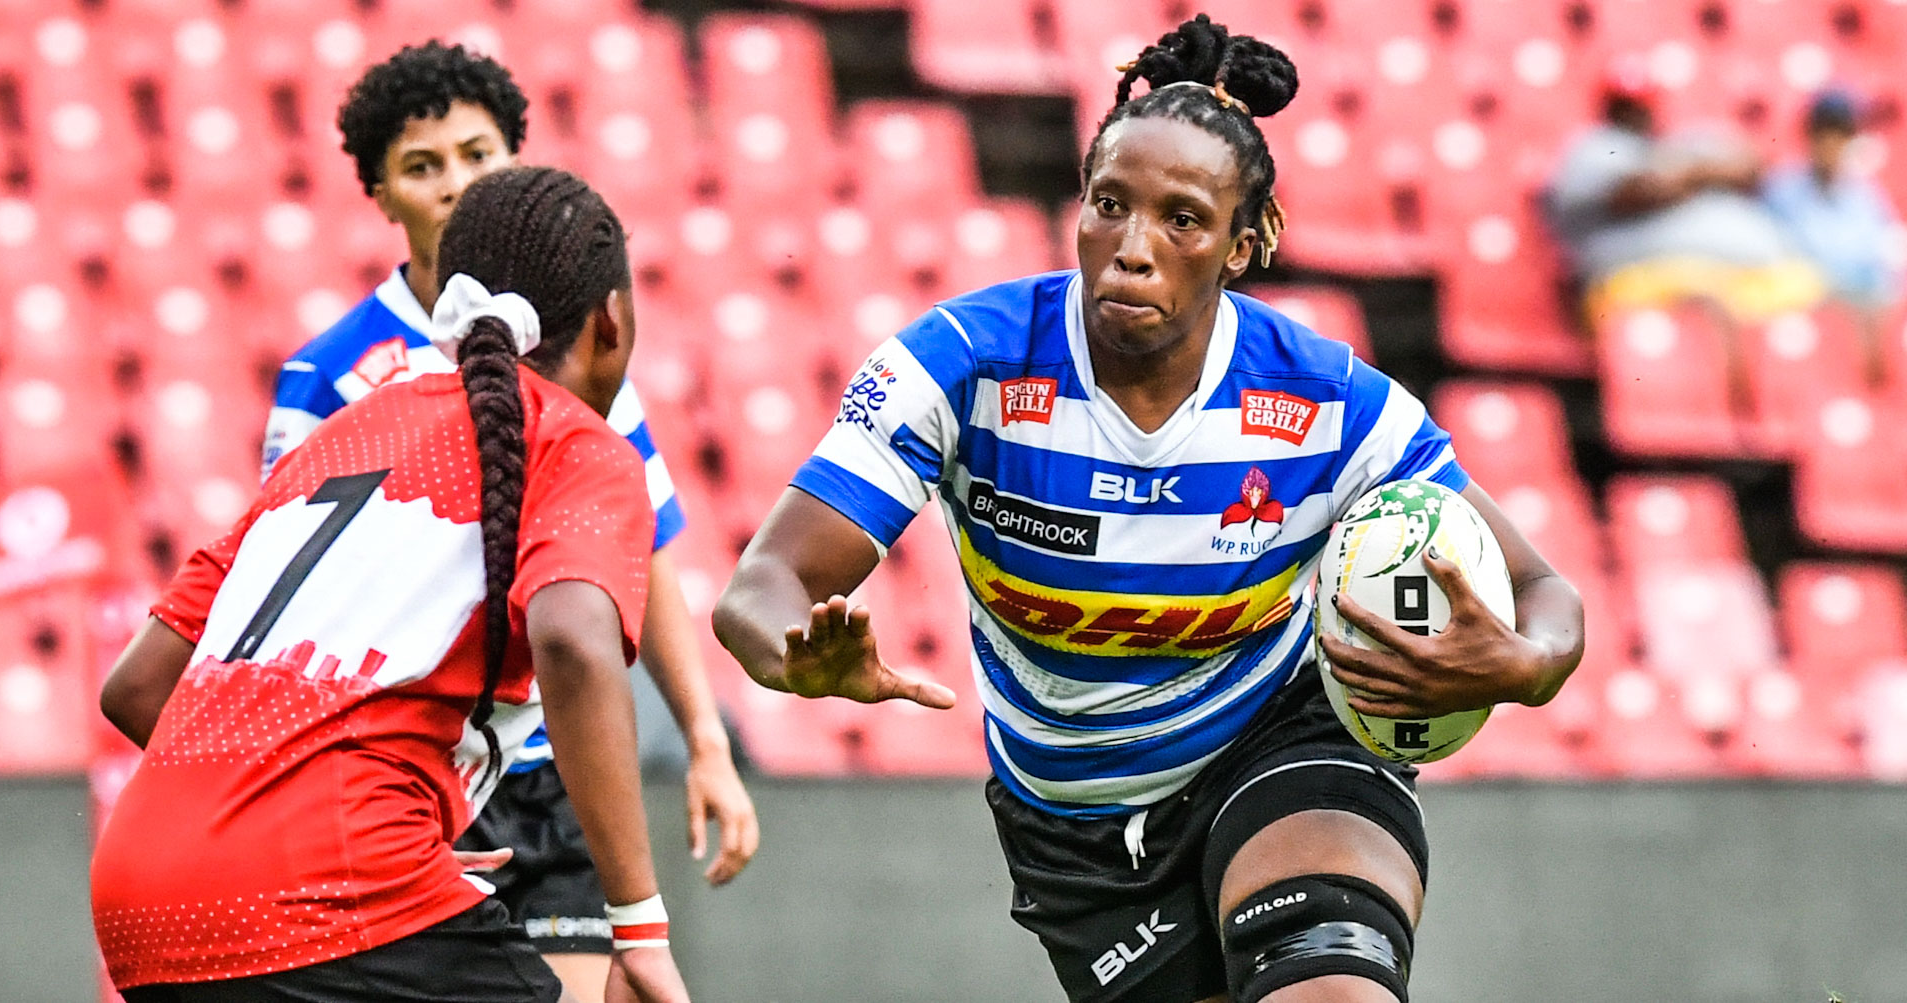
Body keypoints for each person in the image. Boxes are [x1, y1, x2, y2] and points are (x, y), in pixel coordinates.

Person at [714, 15, 1583, 1003]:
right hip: (1075, 830)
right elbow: (762, 585)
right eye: (1108, 206)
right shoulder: (960, 365)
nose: (1131, 249)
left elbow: (1543, 591)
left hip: (1280, 741)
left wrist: (1528, 665)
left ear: (1241, 247)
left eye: (1181, 220)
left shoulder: (1326, 402)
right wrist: (790, 654)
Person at [92, 166, 690, 1003]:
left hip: (142, 901)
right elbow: (571, 640)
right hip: (325, 893)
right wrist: (639, 924)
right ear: (611, 320)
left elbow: (135, 685)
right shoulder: (579, 445)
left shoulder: (340, 434)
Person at [264, 42, 757, 999]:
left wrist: (705, 736)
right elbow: (289, 592)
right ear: (382, 194)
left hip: (550, 763)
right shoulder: (331, 376)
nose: (454, 182)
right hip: (413, 773)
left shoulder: (578, 348)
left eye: (477, 154)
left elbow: (641, 548)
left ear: (514, 164)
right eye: (422, 165)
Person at [1545, 57, 1824, 325]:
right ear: (1608, 107)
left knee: (1809, 293)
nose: (1633, 113)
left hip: (1736, 272)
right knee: (1704, 311)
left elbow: (1751, 168)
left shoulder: (1671, 144)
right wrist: (1701, 173)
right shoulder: (1595, 146)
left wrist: (1694, 173)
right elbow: (1642, 192)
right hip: (1645, 278)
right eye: (1623, 106)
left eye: (1639, 105)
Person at [1763, 89, 1902, 383]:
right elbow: (1776, 260)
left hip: (1861, 305)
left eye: (1839, 135)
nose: (1830, 144)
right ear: (1810, 137)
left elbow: (1880, 262)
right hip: (1805, 312)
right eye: (1823, 134)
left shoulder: (1865, 195)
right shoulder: (1782, 188)